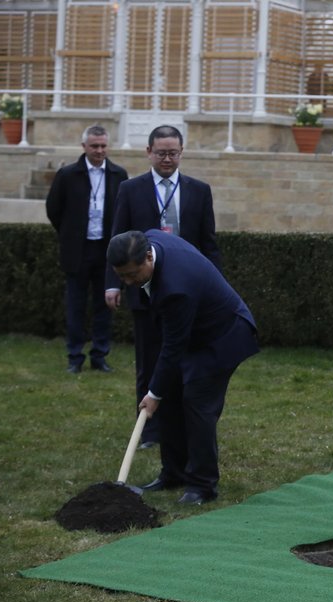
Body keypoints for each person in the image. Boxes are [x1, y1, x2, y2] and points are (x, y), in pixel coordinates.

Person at [107, 230, 258, 505]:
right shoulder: (150, 238)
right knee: (171, 396)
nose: (129, 282)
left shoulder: (176, 288)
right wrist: (159, 392)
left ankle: (202, 486)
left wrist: (152, 395)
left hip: (223, 336)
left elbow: (173, 347)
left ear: (149, 257)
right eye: (123, 277)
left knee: (197, 402)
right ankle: (173, 473)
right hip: (194, 333)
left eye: (132, 274)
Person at [106, 125, 221, 448]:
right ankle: (149, 430)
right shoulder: (131, 189)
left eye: (173, 153)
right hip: (144, 292)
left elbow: (208, 244)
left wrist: (218, 283)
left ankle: (181, 424)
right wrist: (112, 284)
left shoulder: (199, 190)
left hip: (186, 293)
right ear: (148, 153)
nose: (167, 159)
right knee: (149, 360)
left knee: (184, 359)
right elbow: (117, 238)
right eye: (161, 153)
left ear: (181, 153)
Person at [45, 124, 129, 374]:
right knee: (76, 305)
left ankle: (100, 355)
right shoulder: (68, 175)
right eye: (94, 146)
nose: (99, 150)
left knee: (106, 304)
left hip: (107, 251)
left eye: (103, 146)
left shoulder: (118, 174)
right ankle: (74, 356)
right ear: (84, 147)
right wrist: (70, 234)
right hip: (78, 251)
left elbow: (125, 209)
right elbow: (54, 209)